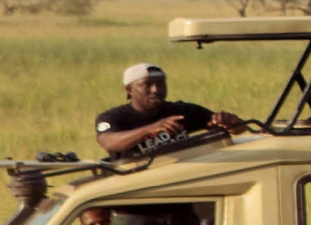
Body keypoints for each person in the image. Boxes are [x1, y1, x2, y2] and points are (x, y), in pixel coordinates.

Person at [93, 64, 245, 159]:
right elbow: (109, 142)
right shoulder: (113, 117)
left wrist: (229, 121)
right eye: (146, 85)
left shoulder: (182, 111)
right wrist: (149, 130)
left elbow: (238, 129)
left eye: (161, 84)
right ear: (129, 89)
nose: (156, 90)